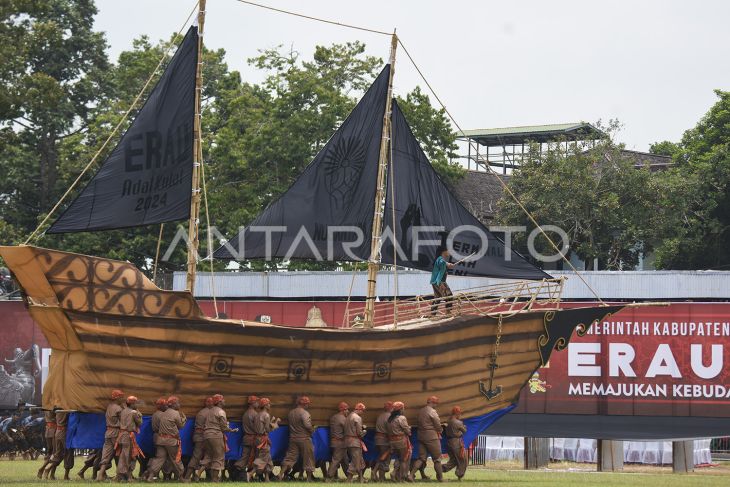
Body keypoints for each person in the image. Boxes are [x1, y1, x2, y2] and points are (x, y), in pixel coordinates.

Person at [145, 396, 187, 482]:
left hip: (161, 440)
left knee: (159, 459)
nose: (179, 405)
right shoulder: (176, 413)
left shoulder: (163, 413)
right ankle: (182, 478)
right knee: (176, 459)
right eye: (178, 403)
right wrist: (184, 419)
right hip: (171, 441)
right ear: (174, 404)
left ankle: (150, 476)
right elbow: (180, 426)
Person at [197, 394, 236, 482]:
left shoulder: (209, 411)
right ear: (219, 402)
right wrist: (231, 430)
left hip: (206, 435)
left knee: (209, 456)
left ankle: (198, 474)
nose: (224, 401)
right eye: (223, 400)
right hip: (216, 435)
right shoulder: (221, 412)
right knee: (219, 457)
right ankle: (214, 479)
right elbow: (224, 427)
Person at [278, 396, 316, 481]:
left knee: (290, 457)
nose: (308, 405)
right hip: (304, 439)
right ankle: (309, 478)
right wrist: (312, 429)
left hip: (293, 438)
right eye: (307, 404)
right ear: (304, 404)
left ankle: (280, 474)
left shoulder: (291, 413)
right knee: (309, 458)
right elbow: (307, 425)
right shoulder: (305, 413)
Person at [410, 396, 444, 482]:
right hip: (431, 436)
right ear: (432, 402)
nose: (436, 405)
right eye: (436, 403)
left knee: (421, 458)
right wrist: (441, 430)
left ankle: (410, 475)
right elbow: (437, 424)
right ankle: (440, 478)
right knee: (437, 459)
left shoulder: (421, 411)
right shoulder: (432, 411)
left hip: (421, 436)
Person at [96, 389, 125, 481]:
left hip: (108, 432)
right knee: (119, 454)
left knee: (106, 454)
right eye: (121, 397)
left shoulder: (109, 406)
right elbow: (124, 421)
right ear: (118, 398)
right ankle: (119, 476)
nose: (122, 399)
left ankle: (100, 475)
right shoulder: (118, 408)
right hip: (116, 433)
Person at [184, 397, 213, 480]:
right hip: (203, 437)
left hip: (199, 436)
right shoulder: (210, 413)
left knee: (199, 456)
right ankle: (188, 476)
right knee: (201, 456)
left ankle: (192, 476)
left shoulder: (202, 412)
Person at [251, 397, 280, 481]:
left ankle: (267, 478)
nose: (270, 405)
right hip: (263, 439)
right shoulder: (266, 415)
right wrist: (275, 424)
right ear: (265, 405)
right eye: (268, 404)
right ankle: (249, 474)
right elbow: (267, 429)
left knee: (267, 458)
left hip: (257, 438)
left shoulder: (257, 415)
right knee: (263, 458)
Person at [116, 395, 143, 482]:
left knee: (125, 455)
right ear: (132, 404)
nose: (137, 405)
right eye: (136, 403)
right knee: (128, 456)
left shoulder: (123, 411)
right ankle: (127, 476)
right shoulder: (134, 413)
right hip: (128, 435)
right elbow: (140, 423)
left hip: (122, 435)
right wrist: (139, 413)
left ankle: (122, 476)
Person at [43, 410, 74, 480]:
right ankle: (66, 476)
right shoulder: (66, 409)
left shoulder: (57, 409)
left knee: (58, 453)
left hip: (58, 431)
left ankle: (50, 471)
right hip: (65, 432)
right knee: (68, 453)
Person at [233, 395, 260, 477]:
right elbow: (258, 428)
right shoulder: (255, 414)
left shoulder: (246, 413)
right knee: (253, 456)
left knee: (245, 456)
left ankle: (237, 471)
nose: (258, 404)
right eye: (257, 402)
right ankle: (239, 470)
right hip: (252, 438)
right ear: (253, 403)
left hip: (246, 438)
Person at [386, 402, 412, 482]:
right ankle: (402, 478)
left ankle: (394, 473)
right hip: (401, 441)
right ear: (400, 409)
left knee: (399, 459)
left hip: (392, 442)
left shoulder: (390, 419)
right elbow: (406, 430)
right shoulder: (401, 418)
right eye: (403, 408)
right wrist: (409, 430)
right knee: (404, 459)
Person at [442, 406, 468, 480]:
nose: (460, 415)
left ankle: (440, 469)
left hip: (449, 442)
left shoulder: (448, 421)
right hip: (456, 443)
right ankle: (459, 475)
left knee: (454, 460)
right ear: (457, 413)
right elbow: (464, 431)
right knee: (463, 459)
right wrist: (464, 427)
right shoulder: (458, 422)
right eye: (460, 413)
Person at [326, 402, 349, 480]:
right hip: (340, 443)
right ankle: (329, 477)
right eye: (347, 409)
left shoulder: (333, 417)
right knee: (336, 460)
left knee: (345, 460)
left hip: (334, 442)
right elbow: (347, 430)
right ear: (344, 410)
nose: (348, 411)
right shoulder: (342, 418)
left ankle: (349, 476)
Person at [345, 403, 367, 483]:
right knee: (356, 460)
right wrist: (364, 431)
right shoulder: (357, 418)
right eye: (363, 411)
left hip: (348, 441)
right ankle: (349, 479)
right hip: (355, 442)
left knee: (359, 459)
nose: (363, 412)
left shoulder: (348, 416)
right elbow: (359, 433)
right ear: (359, 409)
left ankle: (360, 478)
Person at [430, 246, 455, 316]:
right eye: (448, 250)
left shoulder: (439, 259)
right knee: (449, 295)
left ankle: (433, 314)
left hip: (434, 282)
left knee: (437, 298)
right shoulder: (441, 261)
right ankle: (448, 312)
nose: (449, 252)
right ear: (443, 252)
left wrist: (448, 264)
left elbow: (443, 263)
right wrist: (440, 284)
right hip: (440, 281)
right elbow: (441, 271)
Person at [372, 401, 393, 482]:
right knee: (384, 458)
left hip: (378, 439)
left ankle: (381, 477)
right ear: (391, 408)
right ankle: (375, 473)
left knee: (382, 457)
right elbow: (390, 430)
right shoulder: (390, 417)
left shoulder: (380, 415)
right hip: (384, 440)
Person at [37, 408, 56, 478]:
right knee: (55, 453)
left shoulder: (46, 406)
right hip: (54, 430)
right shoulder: (52, 407)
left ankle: (51, 474)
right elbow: (55, 418)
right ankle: (44, 469)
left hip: (48, 429)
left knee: (50, 452)